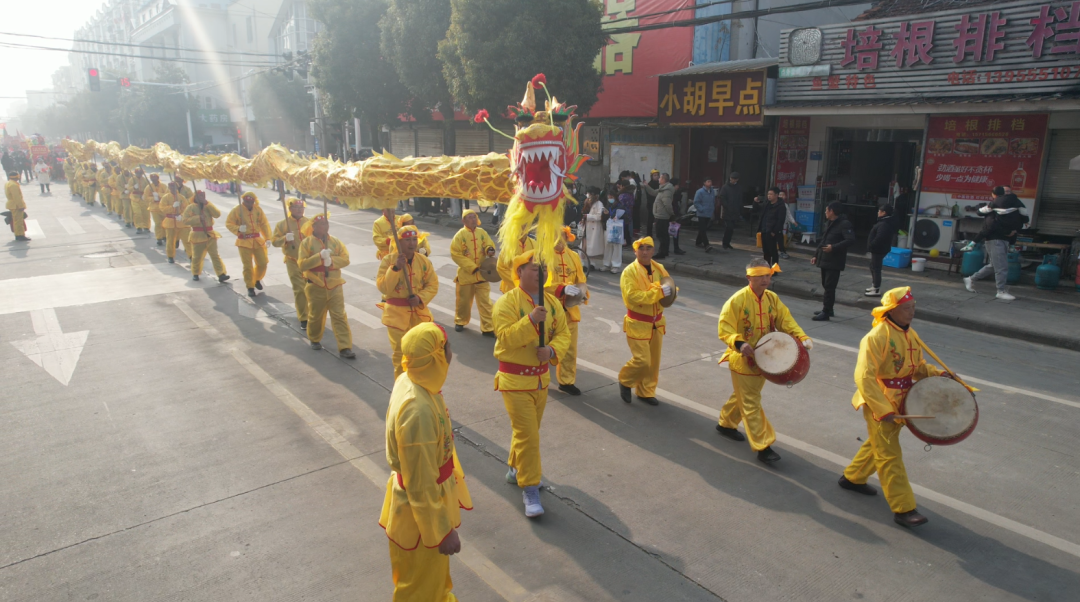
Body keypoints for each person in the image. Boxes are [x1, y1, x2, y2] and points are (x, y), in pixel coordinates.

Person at [840, 287, 956, 528]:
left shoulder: (909, 334)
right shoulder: (876, 337)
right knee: (889, 454)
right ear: (891, 310)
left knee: (878, 444)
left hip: (902, 400)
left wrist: (939, 374)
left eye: (913, 307)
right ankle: (904, 508)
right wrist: (883, 410)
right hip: (879, 402)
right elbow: (863, 377)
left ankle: (852, 477)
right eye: (906, 309)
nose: (912, 313)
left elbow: (917, 367)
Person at [380, 322, 472, 601]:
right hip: (421, 517)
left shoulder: (411, 379)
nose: (452, 354)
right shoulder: (416, 410)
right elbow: (420, 483)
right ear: (437, 357)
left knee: (433, 582)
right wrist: (441, 531)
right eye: (448, 348)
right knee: (419, 590)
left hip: (425, 506)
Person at [493, 250, 571, 517]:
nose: (542, 273)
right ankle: (530, 488)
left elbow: (563, 332)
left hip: (541, 380)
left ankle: (517, 469)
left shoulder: (552, 302)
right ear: (519, 272)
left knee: (528, 432)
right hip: (515, 381)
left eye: (544, 268)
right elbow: (504, 338)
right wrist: (530, 322)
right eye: (535, 268)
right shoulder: (507, 302)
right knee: (529, 436)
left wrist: (550, 352)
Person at [715, 259, 812, 464]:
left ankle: (726, 423)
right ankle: (763, 445)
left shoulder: (772, 299)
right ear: (749, 277)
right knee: (751, 401)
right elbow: (725, 328)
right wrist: (739, 344)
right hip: (743, 360)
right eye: (760, 276)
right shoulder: (737, 300)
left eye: (768, 276)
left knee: (745, 394)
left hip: (765, 360)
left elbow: (785, 320)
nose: (765, 280)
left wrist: (801, 337)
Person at [377, 225, 439, 378]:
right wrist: (396, 268)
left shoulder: (423, 261)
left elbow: (432, 284)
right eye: (407, 240)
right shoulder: (389, 260)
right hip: (396, 316)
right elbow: (383, 287)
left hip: (418, 313)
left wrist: (420, 298)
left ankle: (420, 385)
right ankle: (402, 388)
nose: (411, 244)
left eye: (414, 240)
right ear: (399, 242)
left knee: (422, 351)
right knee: (401, 354)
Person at [618, 237, 671, 406]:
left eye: (648, 248)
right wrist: (659, 293)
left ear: (653, 251)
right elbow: (632, 297)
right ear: (635, 251)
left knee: (653, 362)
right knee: (643, 360)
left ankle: (646, 391)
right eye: (641, 248)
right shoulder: (629, 271)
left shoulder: (659, 268)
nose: (645, 252)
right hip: (638, 322)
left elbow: (669, 286)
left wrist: (670, 291)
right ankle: (625, 380)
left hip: (657, 323)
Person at [298, 214, 355, 358]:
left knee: (339, 316)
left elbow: (346, 259)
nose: (326, 226)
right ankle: (314, 338)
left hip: (335, 283)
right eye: (322, 224)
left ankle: (345, 347)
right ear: (314, 227)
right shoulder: (306, 243)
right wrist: (319, 258)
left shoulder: (335, 242)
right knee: (316, 315)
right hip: (316, 284)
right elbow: (302, 264)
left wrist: (332, 261)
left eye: (326, 223)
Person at [963, 187, 1028, 301]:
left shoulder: (1011, 208)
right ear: (996, 195)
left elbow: (1019, 220)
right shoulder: (993, 208)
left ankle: (971, 279)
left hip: (1004, 240)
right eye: (1005, 192)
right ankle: (1000, 291)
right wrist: (1008, 231)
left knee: (994, 265)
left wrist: (1015, 230)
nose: (1007, 194)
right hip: (995, 240)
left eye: (1009, 192)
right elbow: (991, 227)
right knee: (1002, 267)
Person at [547, 227, 588, 395]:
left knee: (570, 348)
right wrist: (561, 289)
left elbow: (581, 280)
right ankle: (536, 377)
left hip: (570, 310)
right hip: (549, 311)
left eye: (562, 236)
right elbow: (540, 284)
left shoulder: (574, 256)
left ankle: (566, 381)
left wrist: (582, 293)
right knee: (540, 346)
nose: (559, 239)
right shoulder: (543, 256)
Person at [449, 209, 496, 335]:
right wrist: (471, 267)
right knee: (463, 301)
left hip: (482, 274)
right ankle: (460, 321)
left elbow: (488, 245)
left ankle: (488, 327)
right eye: (470, 217)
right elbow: (455, 254)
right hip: (466, 275)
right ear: (463, 220)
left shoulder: (482, 232)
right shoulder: (460, 235)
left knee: (486, 302)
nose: (473, 219)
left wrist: (489, 250)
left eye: (474, 217)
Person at [811, 202, 855, 321]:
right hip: (825, 258)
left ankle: (826, 312)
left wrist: (833, 247)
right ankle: (828, 309)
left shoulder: (844, 224)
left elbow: (850, 240)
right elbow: (824, 240)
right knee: (826, 285)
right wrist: (816, 255)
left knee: (830, 286)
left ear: (832, 211)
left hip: (835, 260)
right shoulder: (829, 223)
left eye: (826, 210)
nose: (825, 212)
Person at [272, 197, 311, 328]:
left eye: (302, 208)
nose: (300, 210)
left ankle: (313, 313)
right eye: (297, 208)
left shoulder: (310, 223)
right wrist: (284, 238)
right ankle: (304, 317)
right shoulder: (283, 224)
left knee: (311, 289)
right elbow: (274, 242)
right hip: (292, 261)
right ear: (290, 209)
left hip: (309, 261)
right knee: (299, 289)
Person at [226, 192, 272, 298]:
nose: (249, 204)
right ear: (243, 201)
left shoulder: (258, 210)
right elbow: (229, 223)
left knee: (263, 262)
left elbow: (264, 223)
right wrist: (237, 229)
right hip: (244, 241)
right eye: (247, 201)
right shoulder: (237, 210)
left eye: (251, 202)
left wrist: (268, 237)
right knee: (247, 266)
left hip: (257, 240)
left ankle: (256, 278)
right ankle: (250, 287)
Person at [181, 191, 230, 283]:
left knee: (215, 255)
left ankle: (221, 274)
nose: (201, 198)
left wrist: (207, 204)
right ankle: (195, 273)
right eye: (199, 196)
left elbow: (217, 214)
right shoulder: (190, 207)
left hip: (210, 234)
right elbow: (185, 220)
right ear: (195, 197)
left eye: (203, 196)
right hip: (197, 235)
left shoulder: (208, 206)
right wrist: (198, 218)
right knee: (197, 257)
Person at [865, 204, 897, 297]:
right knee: (873, 267)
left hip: (878, 249)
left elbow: (880, 238)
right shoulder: (884, 222)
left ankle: (876, 289)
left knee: (876, 268)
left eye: (880, 211)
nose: (878, 212)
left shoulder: (884, 224)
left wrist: (871, 245)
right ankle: (874, 285)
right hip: (879, 249)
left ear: (884, 213)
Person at [159, 182, 192, 264]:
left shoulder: (181, 197)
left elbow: (187, 209)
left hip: (181, 222)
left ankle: (191, 256)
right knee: (170, 241)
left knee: (187, 240)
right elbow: (162, 208)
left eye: (174, 187)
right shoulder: (165, 197)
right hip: (170, 222)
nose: (172, 189)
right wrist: (172, 207)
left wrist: (182, 215)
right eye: (171, 187)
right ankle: (170, 256)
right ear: (169, 188)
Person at [652, 173, 679, 260]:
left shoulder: (666, 191)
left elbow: (667, 204)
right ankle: (664, 251)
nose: (659, 179)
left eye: (660, 177)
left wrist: (672, 215)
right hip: (661, 215)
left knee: (661, 235)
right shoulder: (663, 189)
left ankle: (662, 252)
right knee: (664, 235)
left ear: (663, 180)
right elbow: (653, 192)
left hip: (662, 216)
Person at [757, 187, 786, 267]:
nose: (769, 196)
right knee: (766, 251)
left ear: (776, 195)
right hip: (764, 230)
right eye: (768, 194)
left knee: (773, 251)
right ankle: (767, 267)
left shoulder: (781, 206)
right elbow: (758, 210)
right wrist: (755, 202)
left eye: (771, 194)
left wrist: (774, 231)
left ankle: (774, 269)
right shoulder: (767, 204)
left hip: (772, 232)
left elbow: (780, 221)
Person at [603, 187, 625, 273]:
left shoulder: (620, 206)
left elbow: (624, 216)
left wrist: (611, 214)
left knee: (616, 246)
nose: (610, 199)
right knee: (608, 246)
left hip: (617, 228)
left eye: (611, 197)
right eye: (608, 197)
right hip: (609, 227)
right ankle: (606, 264)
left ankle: (616, 265)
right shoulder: (608, 205)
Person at [718, 173, 743, 249]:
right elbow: (722, 197)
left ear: (737, 179)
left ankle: (727, 242)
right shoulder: (725, 187)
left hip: (735, 211)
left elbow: (740, 198)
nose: (732, 180)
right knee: (728, 227)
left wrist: (739, 208)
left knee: (732, 229)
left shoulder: (738, 188)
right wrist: (726, 206)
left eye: (734, 179)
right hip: (727, 211)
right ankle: (725, 242)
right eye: (732, 178)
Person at [143, 173, 169, 244]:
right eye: (152, 179)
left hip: (163, 208)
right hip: (154, 208)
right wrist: (153, 199)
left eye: (155, 178)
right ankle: (159, 238)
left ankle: (164, 236)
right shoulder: (148, 187)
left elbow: (167, 195)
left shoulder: (164, 186)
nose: (154, 180)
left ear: (158, 178)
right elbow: (145, 197)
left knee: (164, 223)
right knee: (158, 223)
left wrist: (159, 195)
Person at [693, 178, 717, 252]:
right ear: (704, 183)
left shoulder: (712, 191)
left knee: (703, 228)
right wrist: (701, 209)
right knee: (703, 229)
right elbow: (696, 202)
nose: (710, 183)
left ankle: (698, 241)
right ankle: (707, 245)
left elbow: (713, 201)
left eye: (711, 181)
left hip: (709, 213)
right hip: (702, 213)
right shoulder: (700, 192)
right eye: (708, 181)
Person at [5, 170, 29, 242]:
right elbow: (17, 197)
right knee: (18, 221)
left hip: (12, 205)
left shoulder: (9, 183)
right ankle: (20, 235)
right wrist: (21, 206)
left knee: (16, 221)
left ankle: (18, 234)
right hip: (16, 205)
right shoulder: (13, 185)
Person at [130, 168, 151, 233]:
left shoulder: (145, 180)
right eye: (137, 173)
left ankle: (146, 227)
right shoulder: (132, 179)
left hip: (143, 198)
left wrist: (145, 194)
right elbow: (128, 188)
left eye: (140, 173)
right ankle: (139, 227)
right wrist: (133, 187)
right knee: (137, 213)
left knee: (146, 213)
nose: (139, 174)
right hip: (135, 198)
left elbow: (149, 188)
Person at [616, 179, 636, 245]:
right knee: (627, 227)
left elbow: (620, 204)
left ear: (622, 186)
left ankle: (625, 241)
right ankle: (628, 241)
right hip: (630, 212)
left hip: (623, 213)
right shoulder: (631, 193)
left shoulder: (622, 195)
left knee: (624, 228)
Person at [643, 169, 660, 237]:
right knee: (650, 220)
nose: (656, 177)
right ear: (651, 176)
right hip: (651, 204)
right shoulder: (649, 184)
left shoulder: (660, 184)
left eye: (657, 175)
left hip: (658, 204)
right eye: (654, 175)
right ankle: (649, 234)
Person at [777, 190, 793, 259]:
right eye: (780, 195)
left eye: (783, 195)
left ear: (785, 196)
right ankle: (781, 251)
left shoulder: (785, 205)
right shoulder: (775, 204)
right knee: (778, 238)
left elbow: (789, 214)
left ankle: (781, 251)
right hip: (776, 225)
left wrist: (793, 221)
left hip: (783, 224)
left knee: (781, 237)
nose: (781, 196)